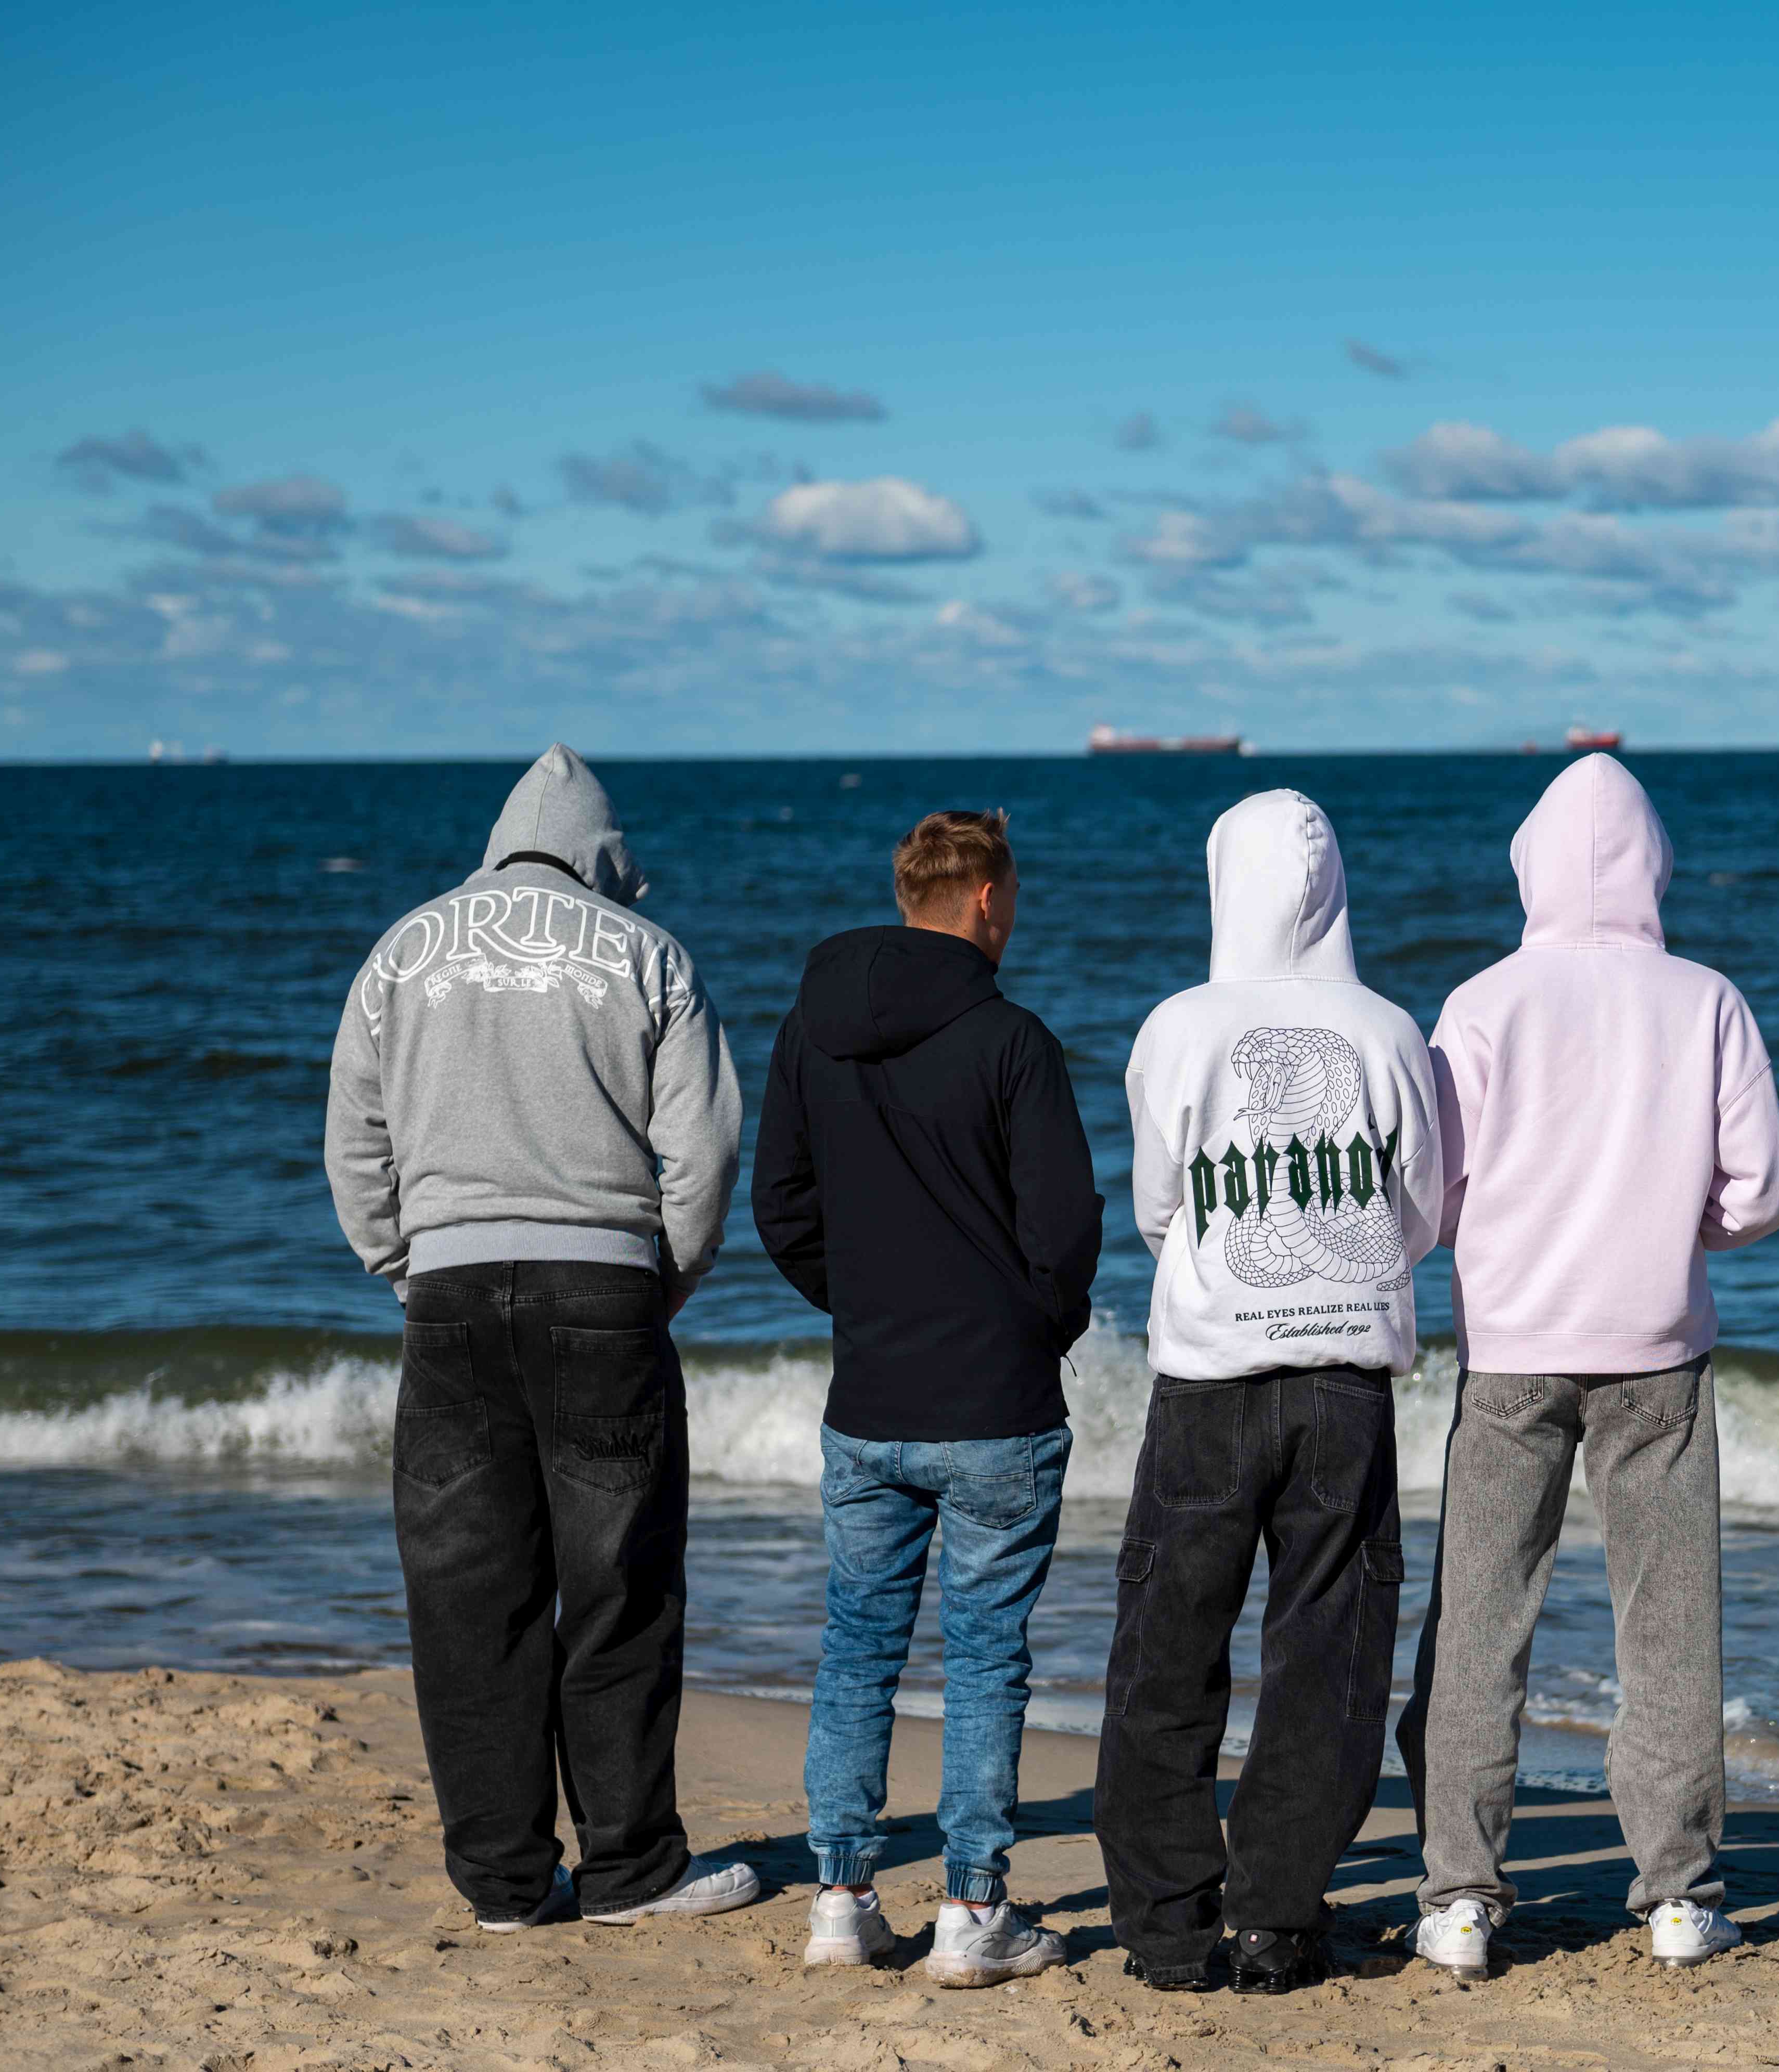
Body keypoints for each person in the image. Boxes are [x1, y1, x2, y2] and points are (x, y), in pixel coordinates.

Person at [324, 744, 757, 1932]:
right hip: (604, 1284)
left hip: (450, 1293)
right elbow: (706, 1152)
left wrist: (405, 1268)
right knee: (620, 1586)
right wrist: (668, 1275)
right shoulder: (646, 952)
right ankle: (629, 1869)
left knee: (468, 1597)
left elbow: (355, 1146)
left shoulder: (402, 951)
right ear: (603, 856)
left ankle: (506, 1883)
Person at [1398, 753, 1779, 1976]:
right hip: (1658, 1351)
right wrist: (1678, 1227)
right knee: (1668, 1631)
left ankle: (1460, 1897)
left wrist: (1494, 1237)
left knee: (1480, 1622)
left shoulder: (1482, 1003)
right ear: (1653, 865)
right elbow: (1760, 1192)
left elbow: (1431, 1194)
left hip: (1511, 1351)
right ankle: (1677, 1894)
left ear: (1530, 866)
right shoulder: (1706, 999)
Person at [1095, 788, 1444, 1996]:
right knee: (1329, 1656)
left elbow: (1158, 1211)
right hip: (1348, 1379)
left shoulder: (1177, 1027)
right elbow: (1419, 1211)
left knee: (1168, 1646)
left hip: (1208, 1380)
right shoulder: (1391, 1029)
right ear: (1335, 886)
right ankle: (1277, 1921)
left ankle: (1166, 1926)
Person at [749, 809, 1102, 1987]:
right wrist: (1036, 1322)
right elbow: (1066, 1227)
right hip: (995, 1400)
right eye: (1015, 897)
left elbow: (781, 1205)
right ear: (987, 900)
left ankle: (841, 1901)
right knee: (987, 1657)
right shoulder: (1011, 1038)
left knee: (858, 1646)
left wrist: (860, 1305)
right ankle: (972, 1909)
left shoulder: (812, 1029)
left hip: (871, 1393)